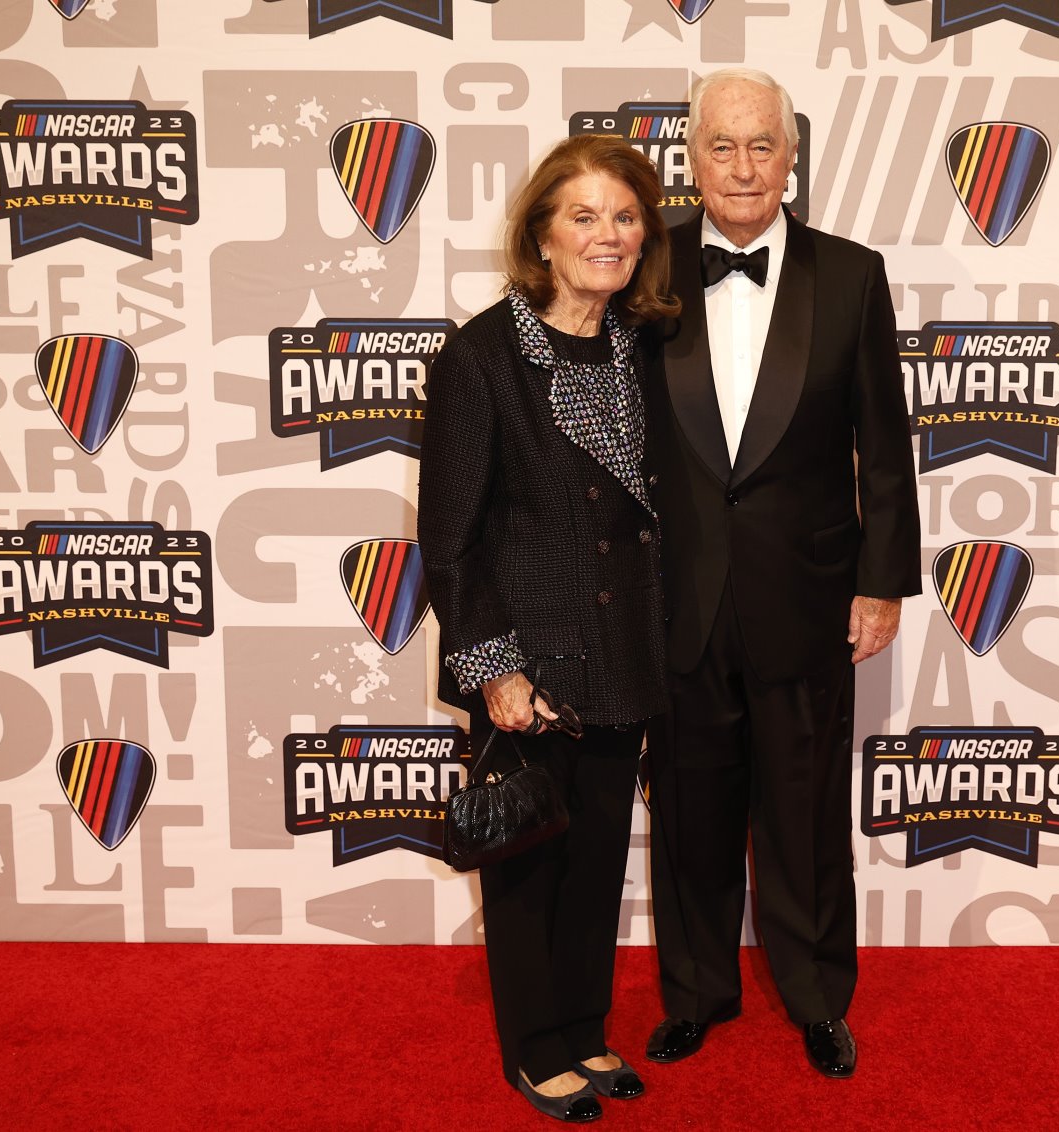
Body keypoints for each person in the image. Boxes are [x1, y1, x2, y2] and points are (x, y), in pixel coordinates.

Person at [644, 68, 921, 1079]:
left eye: (764, 145)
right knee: (688, 808)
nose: (744, 166)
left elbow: (884, 447)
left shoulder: (850, 275)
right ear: (692, 155)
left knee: (804, 814)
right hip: (678, 601)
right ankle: (698, 993)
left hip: (809, 599)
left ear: (792, 156)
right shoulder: (647, 267)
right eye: (723, 145)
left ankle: (816, 997)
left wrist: (882, 579)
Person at [417, 134, 679, 1123]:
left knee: (601, 852)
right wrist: (494, 671)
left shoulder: (640, 343)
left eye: (624, 216)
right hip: (529, 666)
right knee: (530, 861)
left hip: (622, 656)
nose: (607, 235)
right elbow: (449, 537)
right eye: (584, 216)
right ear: (542, 233)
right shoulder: (484, 355)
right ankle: (533, 1047)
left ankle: (582, 1028)